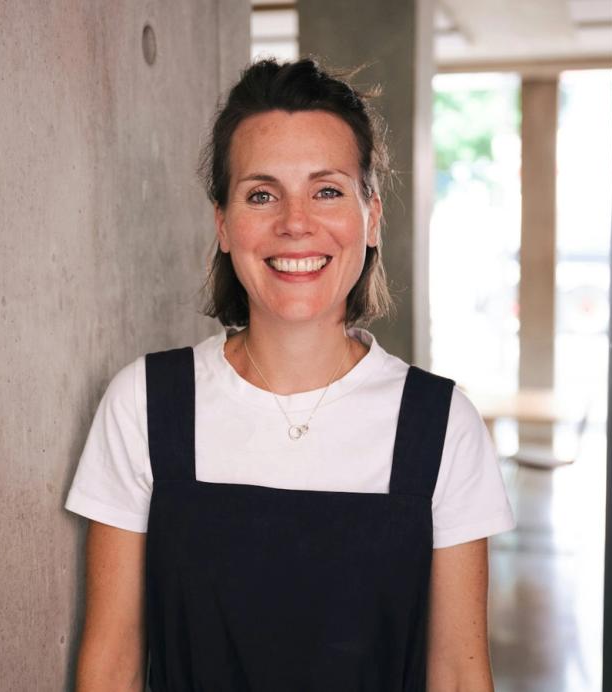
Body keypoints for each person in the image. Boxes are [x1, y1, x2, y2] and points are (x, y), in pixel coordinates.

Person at [65, 57, 515, 691]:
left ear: (372, 217)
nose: (295, 222)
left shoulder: (442, 426)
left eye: (327, 190)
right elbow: (110, 665)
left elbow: (460, 677)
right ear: (223, 224)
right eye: (262, 194)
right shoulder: (144, 403)